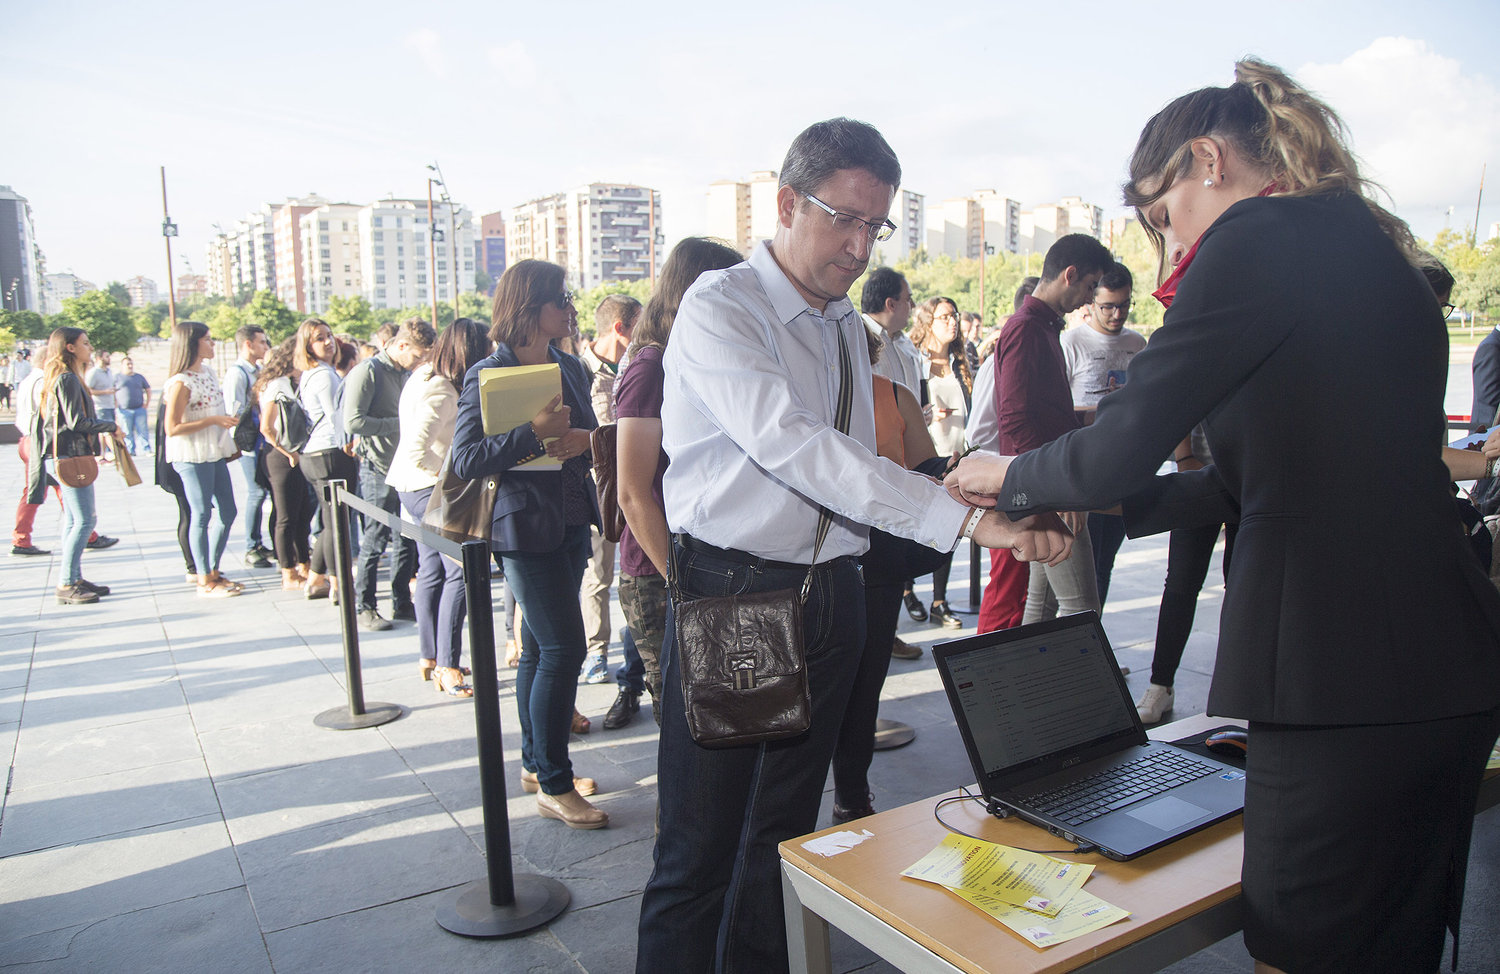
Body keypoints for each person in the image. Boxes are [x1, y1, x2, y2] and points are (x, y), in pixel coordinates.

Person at [946, 59, 1500, 974]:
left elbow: (1123, 438)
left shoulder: (1258, 237)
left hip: (1340, 681)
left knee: (1299, 952)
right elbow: (1278, 476)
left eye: (1165, 220)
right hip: (1439, 669)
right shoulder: (1365, 246)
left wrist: (1007, 475)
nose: (1168, 256)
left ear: (1207, 159)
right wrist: (1101, 504)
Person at [635, 117, 1070, 973]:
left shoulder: (838, 322)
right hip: (742, 596)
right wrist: (970, 521)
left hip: (834, 587)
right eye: (846, 219)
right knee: (703, 848)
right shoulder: (725, 306)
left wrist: (967, 490)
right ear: (788, 202)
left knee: (786, 840)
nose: (860, 244)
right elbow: (796, 445)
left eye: (877, 226)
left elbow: (860, 463)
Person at [449, 259, 608, 829]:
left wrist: (581, 440)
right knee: (565, 649)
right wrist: (532, 436)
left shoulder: (569, 364)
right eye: (560, 298)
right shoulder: (488, 372)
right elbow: (465, 459)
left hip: (569, 520)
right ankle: (556, 784)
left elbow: (593, 435)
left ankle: (536, 765)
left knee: (542, 651)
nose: (570, 308)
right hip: (521, 529)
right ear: (529, 306)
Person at [614, 237, 744, 730]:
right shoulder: (650, 367)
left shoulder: (686, 358)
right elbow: (632, 492)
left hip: (695, 564)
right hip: (659, 571)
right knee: (684, 720)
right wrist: (682, 581)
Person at [995, 233, 1115, 625]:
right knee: (1082, 610)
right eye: (1091, 285)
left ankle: (1029, 688)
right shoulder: (1026, 327)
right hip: (1045, 487)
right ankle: (1077, 688)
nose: (1090, 297)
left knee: (1042, 607)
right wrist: (1052, 489)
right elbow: (1014, 418)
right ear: (1070, 274)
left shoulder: (1043, 326)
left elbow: (1044, 414)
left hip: (1045, 483)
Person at [388, 316, 493, 697]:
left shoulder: (423, 376)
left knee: (431, 570)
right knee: (460, 574)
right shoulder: (444, 391)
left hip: (410, 488)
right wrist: (454, 477)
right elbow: (417, 451)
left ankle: (430, 658)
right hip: (427, 489)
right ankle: (448, 664)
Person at [1135, 425, 1236, 724]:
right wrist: (1184, 458)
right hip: (1198, 473)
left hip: (1249, 476)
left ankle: (1234, 689)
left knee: (1241, 586)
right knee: (1181, 582)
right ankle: (1160, 685)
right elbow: (1185, 398)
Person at [1059, 261, 1146, 606]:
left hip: (1123, 470)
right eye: (1108, 306)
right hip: (1082, 470)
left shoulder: (1138, 343)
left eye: (1124, 305)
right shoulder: (1072, 342)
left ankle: (1096, 649)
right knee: (1079, 574)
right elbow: (1057, 408)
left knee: (1104, 565)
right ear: (1091, 303)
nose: (1116, 314)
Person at [344, 316, 434, 631]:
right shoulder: (368, 371)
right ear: (400, 344)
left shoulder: (406, 374)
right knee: (376, 535)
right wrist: (399, 424)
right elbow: (353, 422)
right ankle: (365, 604)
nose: (420, 362)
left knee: (405, 538)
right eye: (417, 355)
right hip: (378, 466)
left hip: (406, 466)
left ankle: (401, 601)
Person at [27, 327, 124, 604]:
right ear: (70, 347)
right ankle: (67, 582)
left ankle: (74, 577)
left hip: (67, 455)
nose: (90, 347)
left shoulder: (61, 376)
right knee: (85, 520)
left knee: (73, 520)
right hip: (71, 455)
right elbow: (76, 422)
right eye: (84, 343)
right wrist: (111, 426)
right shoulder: (67, 378)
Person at [578, 293, 641, 689]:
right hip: (595, 491)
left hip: (629, 485)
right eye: (638, 326)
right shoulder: (578, 370)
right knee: (597, 577)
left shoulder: (633, 366)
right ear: (620, 328)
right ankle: (596, 651)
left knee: (631, 576)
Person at [970, 277, 1038, 633]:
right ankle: (984, 671)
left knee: (1029, 594)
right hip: (1006, 488)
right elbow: (978, 435)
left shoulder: (1037, 354)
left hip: (1032, 486)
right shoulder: (999, 362)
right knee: (1007, 590)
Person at [164, 320, 242, 597]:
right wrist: (212, 420)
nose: (212, 343)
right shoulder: (180, 382)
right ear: (192, 343)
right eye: (207, 339)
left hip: (215, 451)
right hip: (192, 455)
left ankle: (212, 568)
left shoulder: (208, 372)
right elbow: (171, 428)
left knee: (228, 511)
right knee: (201, 514)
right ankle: (203, 578)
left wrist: (224, 420)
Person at [909, 295, 973, 629]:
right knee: (916, 528)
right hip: (924, 456)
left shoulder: (962, 363)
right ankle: (907, 589)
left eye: (954, 315)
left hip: (956, 455)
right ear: (928, 322)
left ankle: (939, 600)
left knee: (949, 530)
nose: (952, 322)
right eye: (944, 316)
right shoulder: (915, 359)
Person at [295, 318, 357, 601]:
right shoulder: (323, 375)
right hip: (330, 453)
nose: (328, 342)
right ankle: (338, 583)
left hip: (314, 453)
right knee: (336, 523)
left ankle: (316, 578)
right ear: (307, 345)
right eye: (320, 338)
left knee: (329, 519)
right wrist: (349, 444)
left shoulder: (311, 373)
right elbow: (337, 417)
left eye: (330, 336)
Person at [254, 339, 313, 591]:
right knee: (286, 516)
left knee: (302, 513)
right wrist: (286, 452)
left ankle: (304, 564)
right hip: (281, 457)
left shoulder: (291, 383)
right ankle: (287, 572)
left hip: (294, 453)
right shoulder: (277, 385)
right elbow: (266, 427)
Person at [224, 324, 273, 568]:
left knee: (264, 491)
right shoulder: (238, 373)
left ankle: (260, 543)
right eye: (262, 342)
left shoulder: (257, 370)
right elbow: (234, 412)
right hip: (249, 443)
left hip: (262, 441)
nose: (266, 346)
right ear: (248, 344)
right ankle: (251, 546)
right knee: (256, 493)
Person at [113, 356, 152, 455]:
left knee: (142, 430)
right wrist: (115, 405)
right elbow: (112, 392)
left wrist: (147, 403)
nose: (130, 366)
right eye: (127, 364)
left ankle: (146, 449)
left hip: (139, 408)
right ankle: (130, 451)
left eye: (131, 364)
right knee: (127, 432)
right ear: (122, 365)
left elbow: (148, 389)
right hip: (124, 410)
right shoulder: (117, 378)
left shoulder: (139, 377)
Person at [84, 350, 116, 461]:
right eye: (106, 356)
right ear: (99, 358)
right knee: (107, 431)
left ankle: (102, 454)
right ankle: (116, 453)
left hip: (110, 405)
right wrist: (104, 392)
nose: (109, 358)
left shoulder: (109, 371)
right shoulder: (93, 373)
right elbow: (87, 390)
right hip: (100, 406)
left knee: (103, 434)